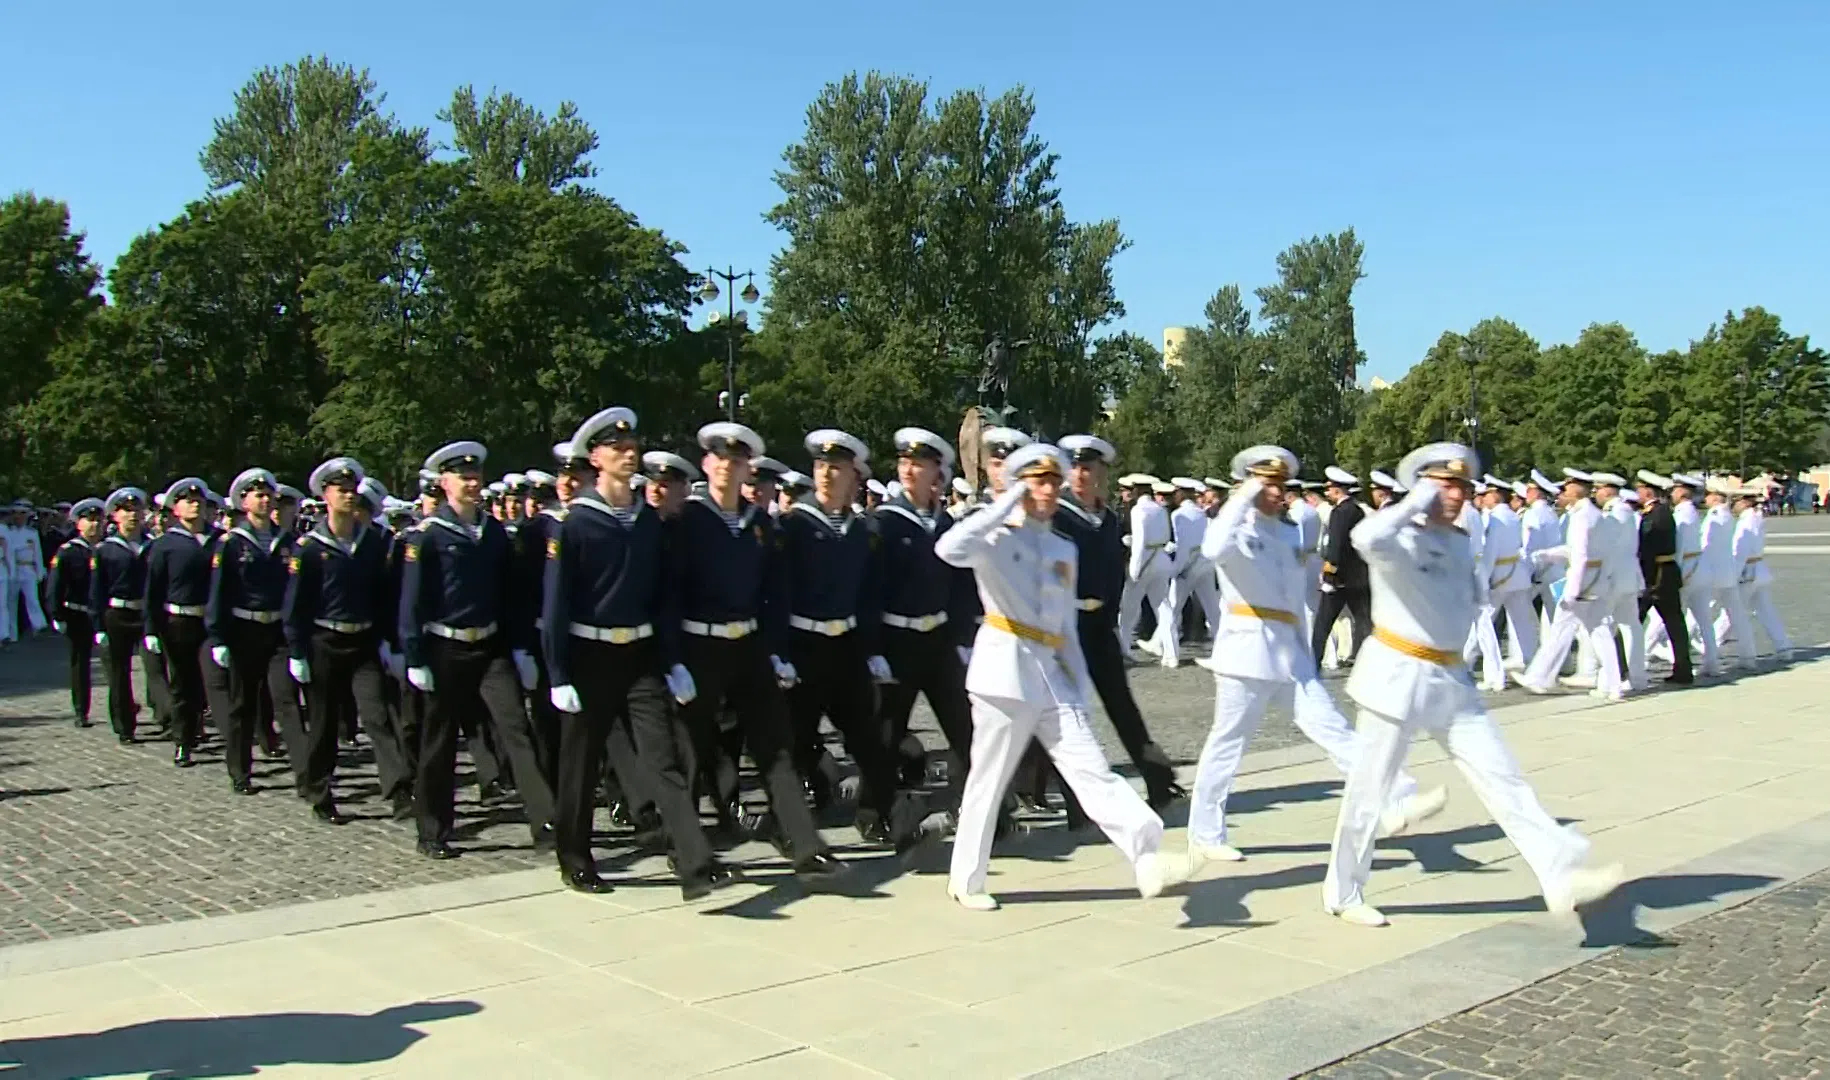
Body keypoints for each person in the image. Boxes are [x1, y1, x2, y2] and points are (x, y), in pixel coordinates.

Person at [1322, 441, 1623, 927]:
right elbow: (1364, 538)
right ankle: (1343, 890)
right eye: (1446, 486)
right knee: (1369, 792)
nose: (1458, 496)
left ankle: (1558, 874)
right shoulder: (1397, 538)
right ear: (1421, 488)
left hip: (1450, 679)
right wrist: (1416, 502)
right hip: (1396, 674)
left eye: (1462, 487)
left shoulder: (1459, 542)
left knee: (1504, 780)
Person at [935, 441, 1186, 911]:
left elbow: (1064, 627)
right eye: (1037, 481)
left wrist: (1074, 683)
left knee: (1092, 769)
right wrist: (1006, 502)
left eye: (1053, 481)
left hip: (1051, 674)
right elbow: (949, 548)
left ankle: (1147, 854)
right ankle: (966, 879)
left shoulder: (1061, 547)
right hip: (1002, 673)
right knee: (988, 781)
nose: (1047, 490)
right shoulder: (995, 536)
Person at [1185, 446, 1441, 869]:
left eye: (1279, 486)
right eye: (1266, 485)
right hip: (1246, 652)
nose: (1276, 493)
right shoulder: (1233, 528)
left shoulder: (1286, 533)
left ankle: (1395, 798)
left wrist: (1305, 648)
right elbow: (1212, 550)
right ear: (1247, 485)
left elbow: (1291, 596)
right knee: (1228, 743)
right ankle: (1206, 833)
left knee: (1334, 729)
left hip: (1289, 651)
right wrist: (1242, 498)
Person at [542, 407, 742, 898]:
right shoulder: (576, 524)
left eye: (632, 448)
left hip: (640, 657)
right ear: (596, 458)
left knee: (664, 760)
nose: (629, 455)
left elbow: (662, 598)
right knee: (582, 763)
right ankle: (575, 856)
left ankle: (691, 857)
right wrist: (558, 672)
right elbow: (556, 605)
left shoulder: (647, 522)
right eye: (617, 449)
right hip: (589, 657)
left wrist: (672, 660)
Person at [662, 421, 850, 887]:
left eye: (738, 460)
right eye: (720, 458)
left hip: (747, 646)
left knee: (776, 747)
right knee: (690, 750)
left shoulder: (759, 524)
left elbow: (774, 595)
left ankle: (806, 846)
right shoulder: (686, 520)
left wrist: (776, 652)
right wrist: (673, 659)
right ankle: (684, 851)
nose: (729, 466)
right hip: (698, 644)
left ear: (748, 468)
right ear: (707, 464)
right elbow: (667, 594)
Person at [400, 441, 558, 859]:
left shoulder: (492, 534)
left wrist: (521, 648)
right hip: (444, 647)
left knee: (516, 731)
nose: (472, 484)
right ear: (444, 483)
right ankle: (432, 828)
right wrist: (414, 655)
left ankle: (546, 822)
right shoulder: (429, 536)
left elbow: (511, 595)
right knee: (440, 740)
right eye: (463, 477)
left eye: (476, 477)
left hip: (489, 647)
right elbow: (412, 600)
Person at [1055, 435, 1184, 809]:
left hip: (1098, 623)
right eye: (1076, 467)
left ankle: (1158, 779)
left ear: (1102, 473)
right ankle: (1076, 802)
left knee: (1122, 704)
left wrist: (1112, 617)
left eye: (1088, 468)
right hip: (1068, 624)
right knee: (1073, 713)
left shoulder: (1108, 517)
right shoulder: (1058, 515)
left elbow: (1112, 571)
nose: (1081, 475)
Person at [284, 456, 409, 824]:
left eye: (353, 489)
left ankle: (400, 790)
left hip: (364, 643)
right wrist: (297, 651)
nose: (349, 496)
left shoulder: (371, 542)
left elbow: (383, 596)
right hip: (325, 641)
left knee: (378, 717)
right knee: (324, 723)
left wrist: (389, 642)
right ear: (326, 495)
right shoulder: (309, 547)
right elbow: (297, 604)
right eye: (341, 490)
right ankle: (320, 790)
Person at [872, 427, 977, 818]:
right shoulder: (884, 522)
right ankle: (876, 811)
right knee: (887, 732)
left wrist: (963, 637)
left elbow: (961, 587)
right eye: (904, 462)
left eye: (918, 463)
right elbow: (871, 590)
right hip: (897, 639)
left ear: (938, 473)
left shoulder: (947, 525)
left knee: (964, 727)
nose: (909, 470)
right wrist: (874, 649)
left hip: (938, 639)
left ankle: (983, 811)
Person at [206, 468, 301, 794]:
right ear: (243, 502)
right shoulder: (231, 543)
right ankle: (240, 770)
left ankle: (306, 772)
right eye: (257, 495)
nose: (264, 500)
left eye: (268, 495)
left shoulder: (286, 541)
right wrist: (218, 636)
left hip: (277, 631)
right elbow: (219, 592)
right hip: (244, 630)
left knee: (286, 700)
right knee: (242, 703)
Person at [1520, 472, 1624, 699]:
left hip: (1582, 582)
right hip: (1594, 580)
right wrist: (1548, 554)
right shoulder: (1594, 514)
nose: (1563, 493)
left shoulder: (1581, 516)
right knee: (1599, 633)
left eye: (1567, 488)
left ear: (1577, 489)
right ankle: (1613, 685)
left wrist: (1573, 591)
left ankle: (1539, 677)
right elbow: (1585, 551)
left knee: (1561, 630)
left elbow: (1581, 555)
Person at [144, 477, 219, 768]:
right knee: (183, 683)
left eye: (199, 501)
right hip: (179, 621)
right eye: (188, 501)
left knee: (209, 681)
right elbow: (153, 590)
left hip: (210, 621)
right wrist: (151, 628)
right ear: (175, 508)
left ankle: (199, 725)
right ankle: (182, 741)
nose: (195, 505)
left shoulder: (218, 540)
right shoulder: (165, 545)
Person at [89, 487, 155, 744]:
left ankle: (164, 713)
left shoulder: (152, 546)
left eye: (136, 509)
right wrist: (99, 626)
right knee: (119, 672)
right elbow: (97, 590)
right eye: (126, 510)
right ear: (115, 516)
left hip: (145, 612)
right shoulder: (106, 550)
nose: (132, 515)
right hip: (117, 613)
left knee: (156, 668)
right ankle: (124, 724)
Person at [1463, 477, 1532, 691]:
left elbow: (1490, 551)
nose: (1483, 498)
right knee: (1512, 623)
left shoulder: (1490, 517)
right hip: (1509, 573)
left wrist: (1489, 577)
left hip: (1489, 575)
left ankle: (1479, 668)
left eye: (1487, 494)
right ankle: (1517, 664)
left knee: (1483, 626)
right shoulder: (1509, 516)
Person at [1632, 472, 1693, 686]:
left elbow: (1646, 550)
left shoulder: (1655, 515)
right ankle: (1684, 670)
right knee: (1675, 624)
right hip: (1665, 573)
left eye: (1639, 489)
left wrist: (1642, 580)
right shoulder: (1662, 512)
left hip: (1655, 576)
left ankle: (1624, 670)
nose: (1636, 493)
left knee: (1631, 621)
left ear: (1648, 491)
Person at [49, 498, 103, 726]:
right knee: (81, 663)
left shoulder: (107, 549)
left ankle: (123, 706)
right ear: (78, 524)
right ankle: (81, 710)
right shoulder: (69, 551)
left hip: (103, 614)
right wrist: (56, 614)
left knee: (117, 664)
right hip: (78, 614)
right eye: (89, 520)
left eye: (99, 521)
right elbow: (55, 585)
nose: (95, 525)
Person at [1312, 466, 1370, 666]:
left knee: (1323, 624)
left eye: (1329, 489)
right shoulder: (1357, 511)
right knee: (1364, 622)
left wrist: (1329, 572)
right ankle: (1365, 660)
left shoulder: (1339, 512)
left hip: (1339, 578)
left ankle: (1313, 661)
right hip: (1358, 576)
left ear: (1337, 490)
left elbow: (1335, 545)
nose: (1327, 493)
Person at [1727, 486, 1792, 662]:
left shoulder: (1745, 521)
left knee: (1732, 611)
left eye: (1736, 502)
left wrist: (1733, 574)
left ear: (1745, 502)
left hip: (1748, 572)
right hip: (1759, 569)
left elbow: (1740, 551)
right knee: (1766, 611)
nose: (1734, 505)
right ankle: (1783, 646)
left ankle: (1708, 645)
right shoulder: (1756, 517)